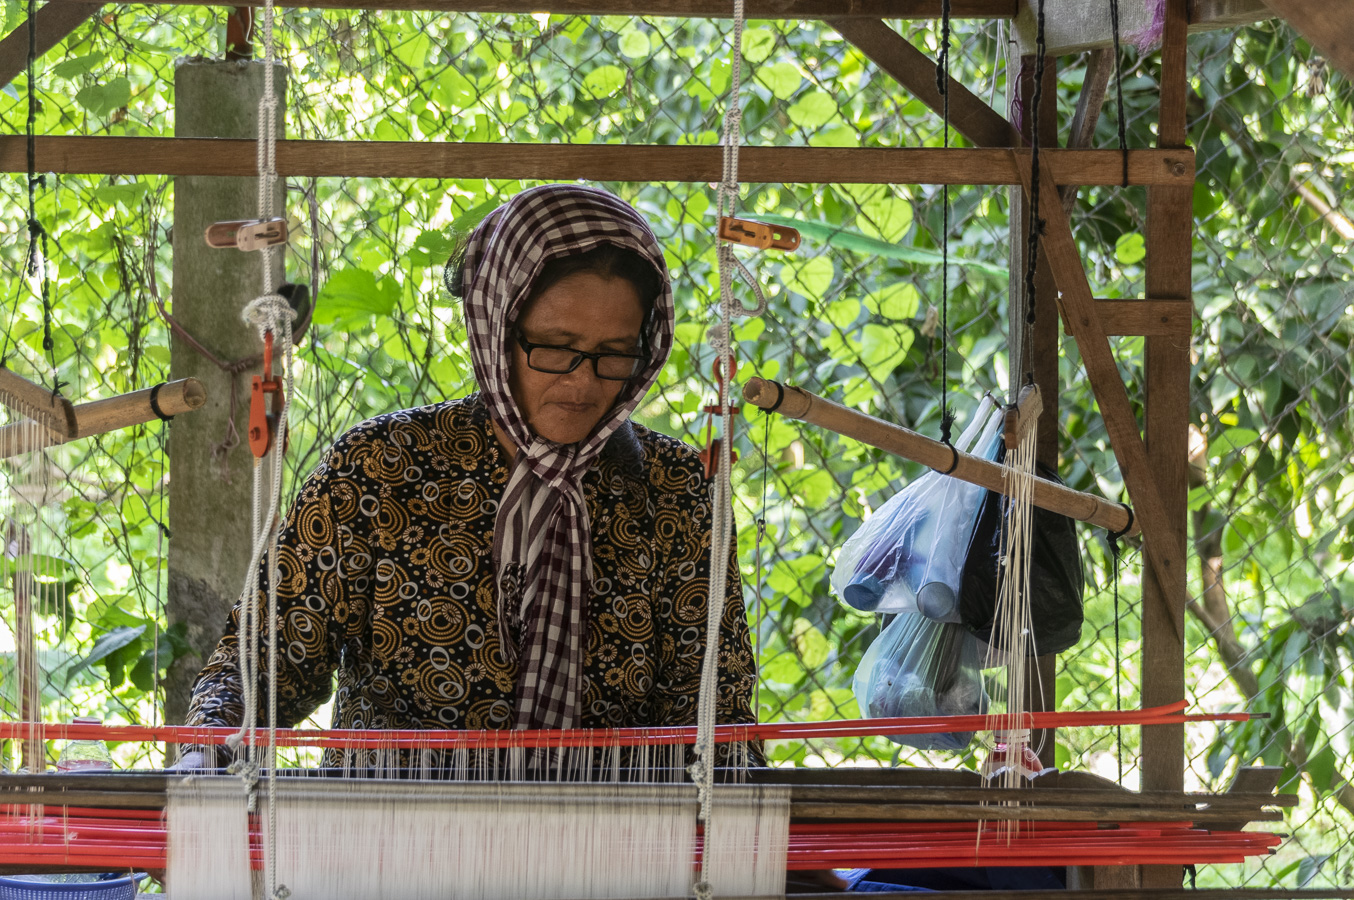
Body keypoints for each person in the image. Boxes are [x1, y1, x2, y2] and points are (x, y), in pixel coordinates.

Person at [182, 184, 757, 769]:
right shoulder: (382, 469)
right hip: (387, 847)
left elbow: (717, 716)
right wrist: (208, 757)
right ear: (494, 333)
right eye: (557, 348)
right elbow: (260, 665)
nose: (584, 384)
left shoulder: (677, 492)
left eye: (615, 353)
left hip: (618, 849)